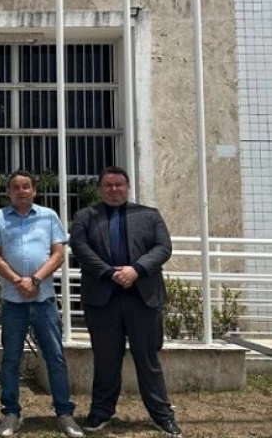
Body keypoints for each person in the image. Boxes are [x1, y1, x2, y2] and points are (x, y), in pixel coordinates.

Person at [70, 166, 182, 437]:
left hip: (142, 297)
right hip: (103, 299)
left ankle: (162, 416)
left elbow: (163, 248)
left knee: (148, 360)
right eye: (108, 185)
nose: (114, 189)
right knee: (106, 360)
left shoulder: (149, 215)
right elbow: (80, 248)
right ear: (100, 189)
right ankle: (100, 413)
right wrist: (111, 273)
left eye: (119, 184)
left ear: (128, 187)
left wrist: (137, 270)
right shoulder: (85, 216)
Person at [0, 170, 84, 438]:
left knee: (55, 356)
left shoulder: (49, 216)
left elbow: (59, 254)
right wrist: (19, 281)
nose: (21, 191)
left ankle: (64, 414)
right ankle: (11, 413)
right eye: (16, 187)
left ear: (34, 191)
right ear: (9, 192)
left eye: (26, 186)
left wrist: (36, 279)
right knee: (11, 358)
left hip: (44, 299)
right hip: (13, 300)